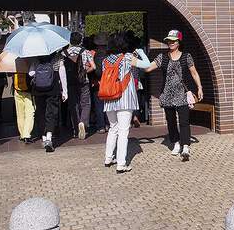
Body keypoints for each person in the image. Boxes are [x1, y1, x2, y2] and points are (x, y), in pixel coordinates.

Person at [144, 29, 203, 162]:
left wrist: (199, 87)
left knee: (184, 121)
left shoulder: (186, 56)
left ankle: (186, 146)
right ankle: (176, 143)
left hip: (182, 95)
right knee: (171, 121)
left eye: (173, 41)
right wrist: (137, 59)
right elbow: (148, 68)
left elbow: (194, 73)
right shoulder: (162, 57)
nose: (170, 43)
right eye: (168, 41)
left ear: (179, 42)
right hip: (167, 95)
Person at [101, 32, 149, 173]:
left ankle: (108, 158)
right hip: (125, 99)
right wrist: (140, 52)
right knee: (123, 131)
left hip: (109, 99)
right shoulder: (127, 57)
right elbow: (146, 65)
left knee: (113, 128)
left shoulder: (105, 61)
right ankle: (121, 164)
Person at [29, 52, 67, 153]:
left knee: (40, 113)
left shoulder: (36, 58)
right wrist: (65, 91)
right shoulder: (58, 57)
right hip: (53, 89)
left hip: (38, 89)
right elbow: (62, 74)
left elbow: (30, 73)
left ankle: (44, 137)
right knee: (52, 112)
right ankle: (49, 137)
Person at [63, 32, 94, 140]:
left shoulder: (64, 53)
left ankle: (76, 129)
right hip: (83, 81)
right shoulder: (85, 52)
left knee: (73, 105)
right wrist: (84, 72)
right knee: (86, 103)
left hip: (70, 82)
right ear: (80, 41)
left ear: (70, 41)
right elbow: (93, 67)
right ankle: (83, 122)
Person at [13, 70, 34, 143]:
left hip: (17, 90)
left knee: (20, 114)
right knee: (30, 113)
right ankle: (26, 135)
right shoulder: (28, 64)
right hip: (28, 91)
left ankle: (22, 134)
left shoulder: (14, 65)